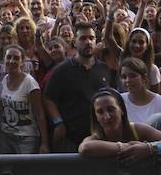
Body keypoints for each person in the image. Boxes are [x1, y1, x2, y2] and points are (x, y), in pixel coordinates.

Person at [43, 22, 115, 151]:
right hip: (70, 138)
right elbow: (48, 98)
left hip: (99, 136)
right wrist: (58, 122)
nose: (88, 42)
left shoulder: (104, 69)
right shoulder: (61, 70)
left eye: (91, 38)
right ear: (74, 42)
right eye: (83, 38)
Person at [78, 87, 161, 163]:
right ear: (95, 116)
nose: (107, 116)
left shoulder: (137, 129)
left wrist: (149, 149)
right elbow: (85, 147)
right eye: (100, 112)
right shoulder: (96, 138)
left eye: (111, 109)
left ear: (121, 110)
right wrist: (124, 148)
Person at [0, 45, 49, 154]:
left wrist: (44, 143)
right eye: (9, 57)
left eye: (16, 58)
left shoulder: (29, 84)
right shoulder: (4, 79)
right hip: (6, 136)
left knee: (26, 170)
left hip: (26, 138)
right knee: (6, 170)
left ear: (22, 62)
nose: (11, 61)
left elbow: (40, 114)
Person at [119, 57, 161, 123]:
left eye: (133, 76)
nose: (128, 80)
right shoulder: (119, 101)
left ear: (144, 78)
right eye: (124, 77)